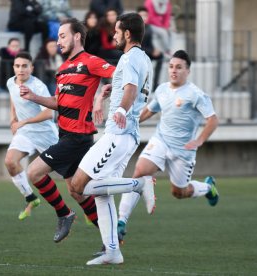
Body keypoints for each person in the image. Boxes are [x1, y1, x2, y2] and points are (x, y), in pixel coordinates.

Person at [69, 12, 155, 265]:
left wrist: (119, 110)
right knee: (101, 193)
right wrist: (110, 92)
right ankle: (112, 251)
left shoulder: (128, 58)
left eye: (117, 31)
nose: (113, 34)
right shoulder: (144, 58)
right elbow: (130, 87)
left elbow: (131, 89)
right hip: (128, 135)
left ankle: (139, 185)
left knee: (78, 185)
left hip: (118, 134)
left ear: (128, 34)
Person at [20, 18, 115, 243]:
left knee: (33, 172)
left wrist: (101, 95)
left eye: (62, 36)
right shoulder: (62, 70)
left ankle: (64, 214)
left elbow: (118, 74)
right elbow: (58, 103)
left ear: (77, 36)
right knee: (76, 191)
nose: (58, 40)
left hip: (78, 138)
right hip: (66, 135)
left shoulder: (90, 61)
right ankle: (112, 239)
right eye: (58, 36)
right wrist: (34, 97)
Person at [116, 50, 220, 245]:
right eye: (171, 66)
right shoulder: (162, 89)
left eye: (179, 67)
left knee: (178, 192)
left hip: (183, 151)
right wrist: (131, 122)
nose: (174, 70)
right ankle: (121, 221)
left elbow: (213, 120)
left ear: (187, 71)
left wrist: (199, 140)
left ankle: (208, 188)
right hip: (161, 141)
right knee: (138, 172)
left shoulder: (196, 94)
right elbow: (150, 109)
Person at [5, 51, 58, 220]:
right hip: (26, 134)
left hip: (46, 135)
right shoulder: (10, 83)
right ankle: (31, 198)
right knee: (10, 162)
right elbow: (13, 99)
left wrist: (23, 121)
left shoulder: (38, 86)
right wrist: (13, 119)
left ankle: (89, 206)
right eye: (17, 66)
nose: (21, 69)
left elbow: (50, 114)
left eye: (25, 66)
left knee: (73, 180)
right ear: (14, 67)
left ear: (31, 68)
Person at [137, 6, 164, 90]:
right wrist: (152, 50)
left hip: (148, 52)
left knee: (161, 56)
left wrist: (155, 50)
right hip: (139, 53)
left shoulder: (148, 27)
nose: (143, 17)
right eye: (141, 15)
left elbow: (149, 43)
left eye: (145, 15)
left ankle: (155, 83)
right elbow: (137, 46)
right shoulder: (136, 29)